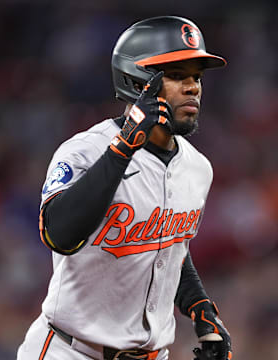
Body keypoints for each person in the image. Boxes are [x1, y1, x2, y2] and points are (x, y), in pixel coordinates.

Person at [17, 16, 232, 360]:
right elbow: (58, 235)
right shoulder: (85, 150)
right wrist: (124, 148)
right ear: (138, 81)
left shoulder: (197, 167)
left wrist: (201, 309)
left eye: (197, 77)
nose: (193, 87)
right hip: (71, 351)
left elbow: (167, 249)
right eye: (177, 76)